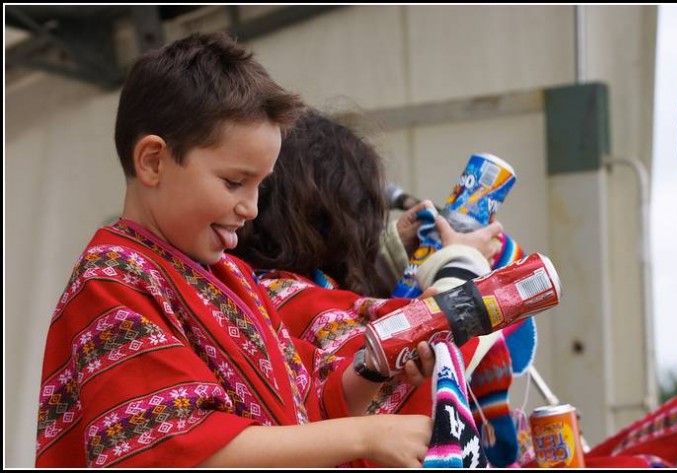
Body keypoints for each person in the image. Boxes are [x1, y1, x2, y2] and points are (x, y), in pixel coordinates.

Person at [34, 32, 439, 468]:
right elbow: (173, 450)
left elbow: (308, 406)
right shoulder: (113, 278)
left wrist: (376, 367)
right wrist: (364, 437)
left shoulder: (232, 277)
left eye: (261, 185)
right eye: (233, 182)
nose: (251, 208)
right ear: (152, 161)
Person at [235, 109, 506, 421]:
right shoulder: (285, 297)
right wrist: (463, 259)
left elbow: (346, 305)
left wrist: (393, 255)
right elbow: (409, 361)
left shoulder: (259, 283)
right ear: (335, 218)